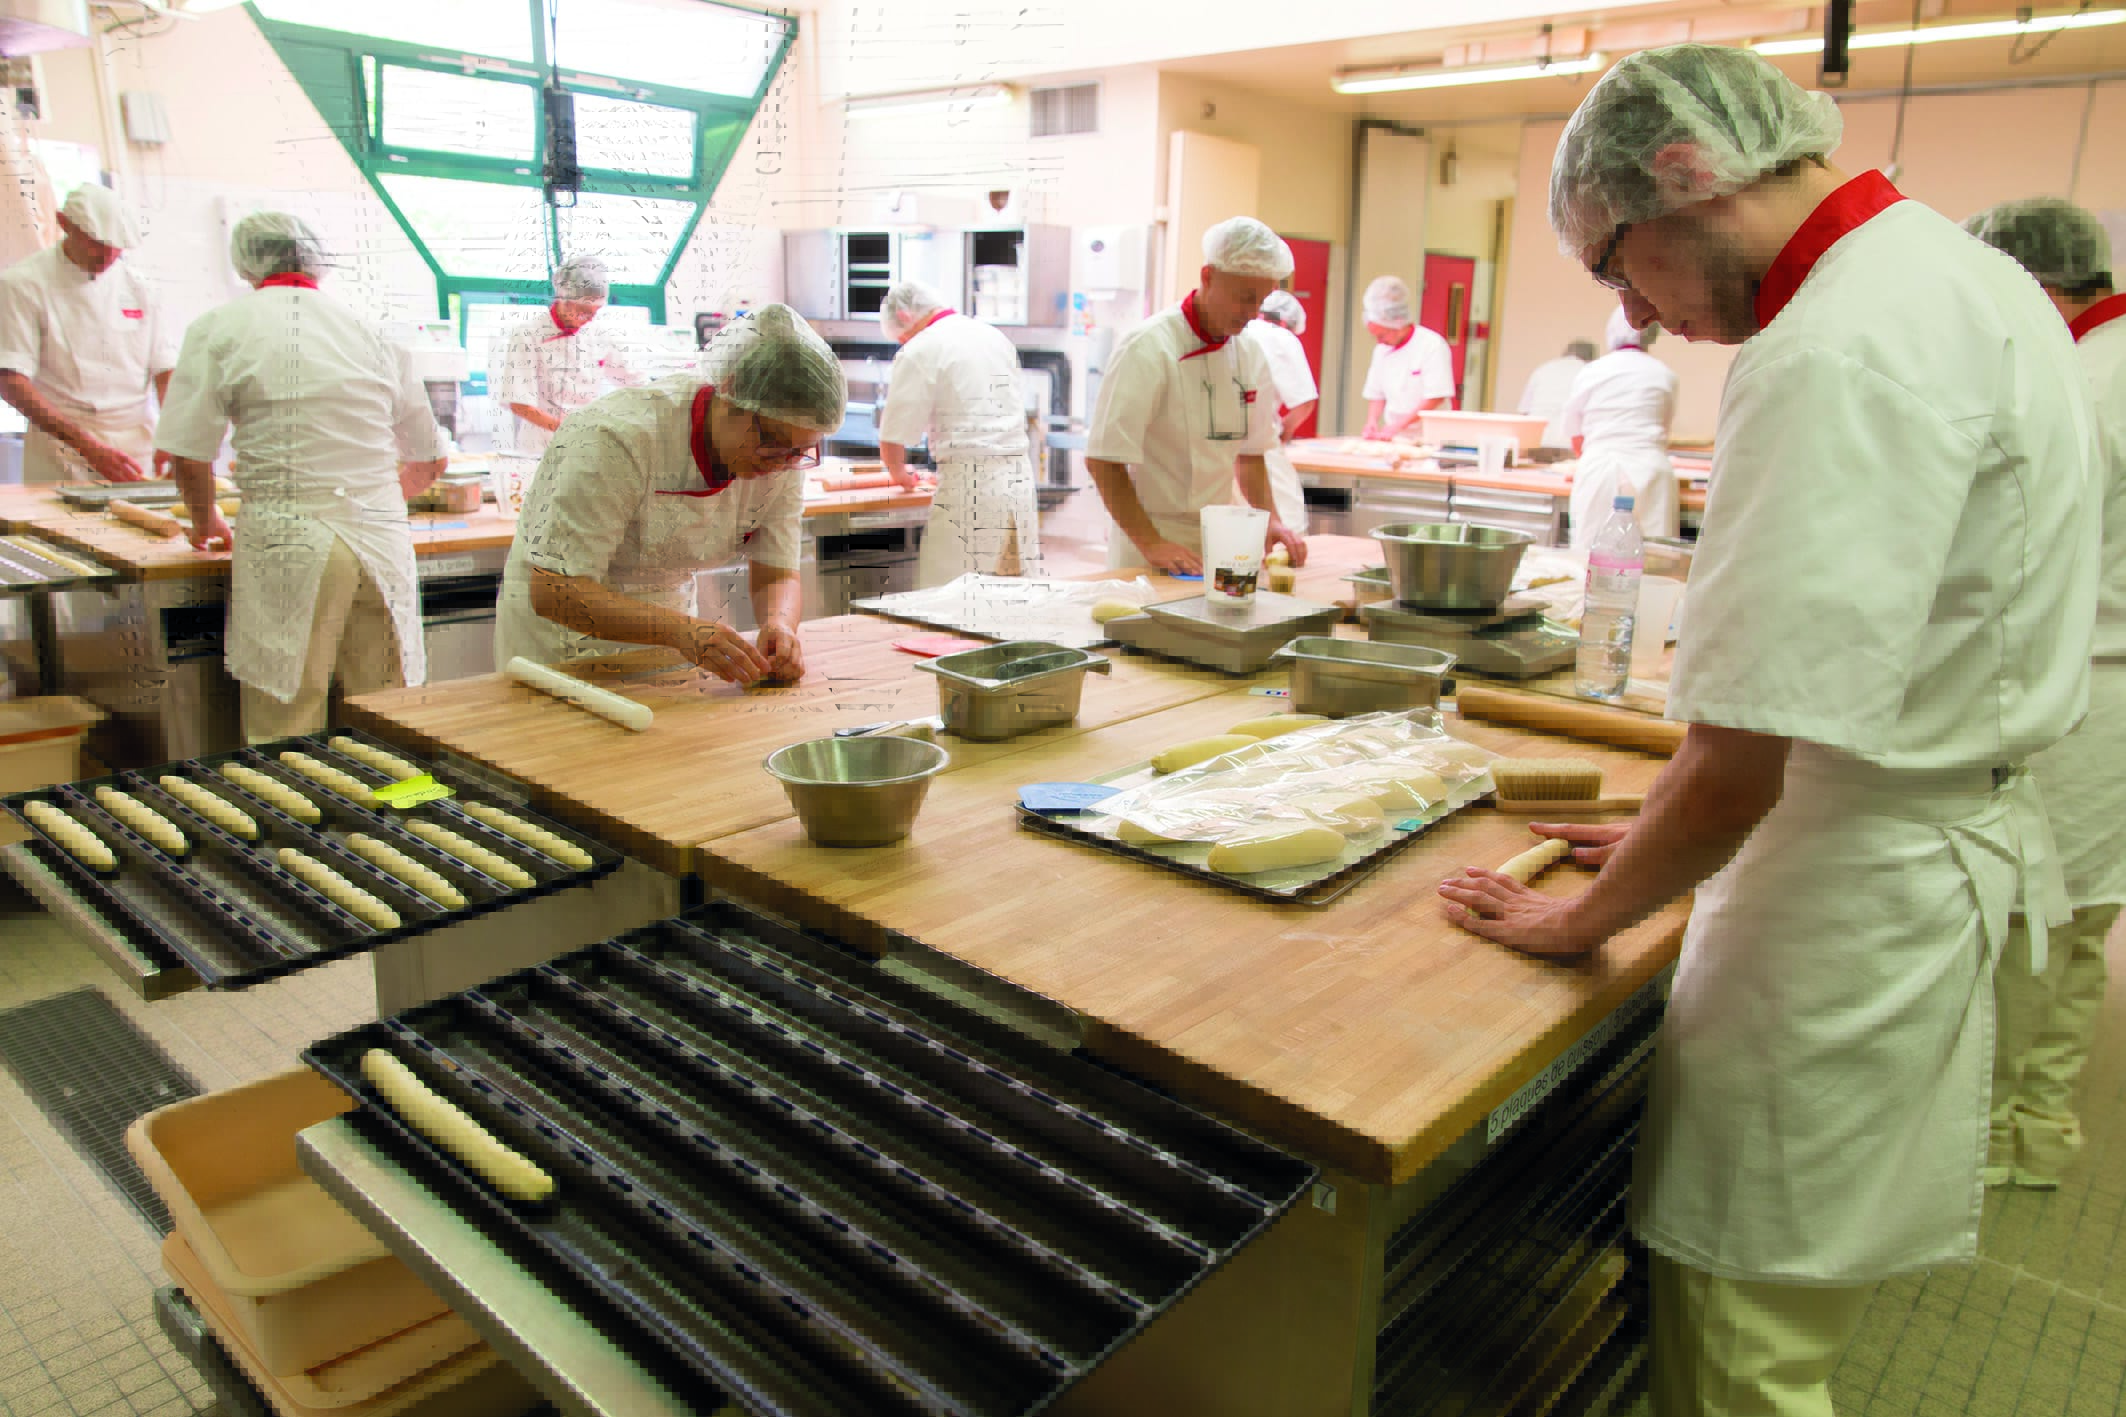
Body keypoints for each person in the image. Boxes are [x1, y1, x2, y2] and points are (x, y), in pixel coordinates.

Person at [1435, 44, 2098, 1417]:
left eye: (1621, 271)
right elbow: (1872, 663)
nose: (1646, 319)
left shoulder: (1830, 348)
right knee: (1789, 1314)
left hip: (1843, 899)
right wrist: (1668, 828)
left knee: (1739, 1333)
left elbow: (1742, 757)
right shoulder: (1966, 277)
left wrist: (1586, 915)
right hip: (1911, 834)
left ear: (1682, 175)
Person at [1963, 196, 2126, 1191]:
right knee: (2079, 925)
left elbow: (2015, 552)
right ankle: (2033, 1124)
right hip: (2104, 683)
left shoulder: (2084, 382)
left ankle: (1987, 1135)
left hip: (2085, 682)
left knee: (2038, 919)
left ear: (2030, 287)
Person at [157, 213, 448, 743]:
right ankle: (399, 817)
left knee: (287, 712)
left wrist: (206, 521)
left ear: (246, 262)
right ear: (315, 261)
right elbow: (430, 461)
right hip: (380, 542)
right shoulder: (371, 333)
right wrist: (371, 496)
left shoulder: (221, 327)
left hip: (290, 540)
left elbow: (189, 452)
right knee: (387, 710)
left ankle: (295, 822)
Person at [494, 304, 843, 685]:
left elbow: (776, 572)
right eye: (772, 442)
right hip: (561, 654)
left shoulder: (782, 460)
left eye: (801, 450)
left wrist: (780, 624)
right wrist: (682, 632)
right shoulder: (615, 438)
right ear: (727, 392)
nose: (782, 461)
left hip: (673, 650)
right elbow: (555, 590)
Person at [1085, 216, 1305, 574]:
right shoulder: (1149, 348)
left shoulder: (1249, 354)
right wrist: (1151, 543)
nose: (1252, 314)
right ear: (1208, 277)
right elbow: (1103, 460)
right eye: (1244, 298)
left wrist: (1272, 521)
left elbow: (1250, 455)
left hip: (1217, 540)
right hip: (1149, 540)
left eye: (1261, 301)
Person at [0, 185, 178, 484]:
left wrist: (176, 435)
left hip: (136, 444)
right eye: (96, 243)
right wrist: (87, 446)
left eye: (117, 246)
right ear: (64, 223)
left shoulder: (141, 289)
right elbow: (10, 380)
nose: (108, 254)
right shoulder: (22, 284)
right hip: (62, 448)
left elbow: (165, 370)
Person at [875, 279, 1041, 587]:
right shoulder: (991, 335)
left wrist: (899, 474)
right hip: (1018, 478)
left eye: (902, 337)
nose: (903, 342)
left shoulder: (921, 348)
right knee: (1011, 592)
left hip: (970, 487)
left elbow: (893, 435)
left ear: (905, 318)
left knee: (949, 599)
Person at [490, 255, 643, 457]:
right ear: (563, 300)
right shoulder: (528, 335)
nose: (589, 319)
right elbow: (519, 403)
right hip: (541, 447)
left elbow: (635, 381)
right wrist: (565, 428)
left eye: (595, 312)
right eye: (583, 312)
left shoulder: (598, 335)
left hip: (588, 445)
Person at [1561, 308, 1679, 547]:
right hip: (1651, 470)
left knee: (1591, 557)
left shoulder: (1592, 372)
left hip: (1599, 469)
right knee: (1657, 560)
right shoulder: (1665, 375)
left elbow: (1575, 433)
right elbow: (1663, 431)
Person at [1250, 289, 1316, 535]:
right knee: (1288, 521)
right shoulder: (1281, 337)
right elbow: (1304, 402)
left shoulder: (1238, 331)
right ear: (1287, 323)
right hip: (1260, 443)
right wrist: (1284, 433)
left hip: (1216, 445)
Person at [1358, 275, 1455, 438]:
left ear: (1398, 325)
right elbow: (1376, 393)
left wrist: (1398, 425)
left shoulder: (1431, 345)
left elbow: (1435, 397)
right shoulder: (1381, 351)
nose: (1379, 342)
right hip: (1397, 435)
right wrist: (1372, 422)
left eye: (1382, 336)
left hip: (1430, 435)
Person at [1518, 338, 1597, 447]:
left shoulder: (1542, 369)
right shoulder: (1590, 372)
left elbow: (1524, 412)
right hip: (1570, 443)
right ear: (1591, 358)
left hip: (1537, 440)